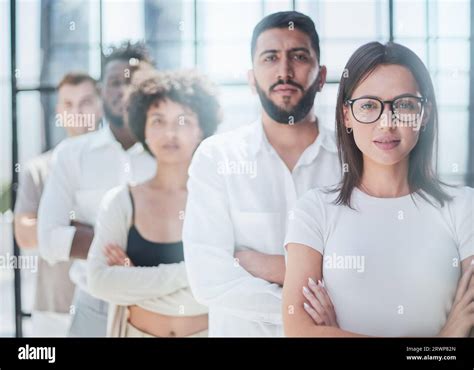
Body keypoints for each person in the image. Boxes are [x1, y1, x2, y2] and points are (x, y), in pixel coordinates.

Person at [283, 41, 474, 337]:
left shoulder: (464, 207)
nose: (387, 123)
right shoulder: (314, 211)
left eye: (405, 105)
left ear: (424, 115)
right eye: (369, 105)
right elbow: (298, 330)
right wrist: (442, 342)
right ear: (346, 115)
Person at [182, 11, 341, 337]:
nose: (284, 71)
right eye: (270, 58)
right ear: (252, 77)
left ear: (321, 76)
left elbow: (368, 266)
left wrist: (271, 267)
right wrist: (306, 309)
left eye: (298, 56)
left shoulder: (353, 158)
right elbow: (208, 278)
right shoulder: (216, 157)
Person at [87, 70, 221, 337]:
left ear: (201, 129)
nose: (170, 132)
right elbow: (100, 281)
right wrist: (193, 273)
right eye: (158, 120)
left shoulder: (217, 201)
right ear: (144, 129)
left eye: (182, 121)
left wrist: (134, 283)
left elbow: (227, 287)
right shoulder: (121, 200)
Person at [37, 42, 156, 337]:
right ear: (102, 91)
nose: (125, 90)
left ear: (151, 88)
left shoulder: (168, 154)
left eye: (135, 81)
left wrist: (85, 234)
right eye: (116, 82)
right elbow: (48, 238)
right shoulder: (71, 154)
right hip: (92, 306)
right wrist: (131, 247)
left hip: (158, 305)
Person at [14, 72, 102, 336]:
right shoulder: (38, 169)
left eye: (86, 101)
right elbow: (25, 235)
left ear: (100, 105)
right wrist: (90, 230)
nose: (77, 111)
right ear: (59, 111)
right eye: (68, 104)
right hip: (53, 309)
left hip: (106, 302)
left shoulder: (117, 165)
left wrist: (58, 227)